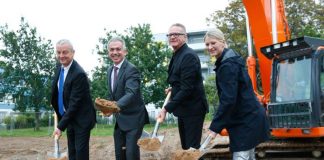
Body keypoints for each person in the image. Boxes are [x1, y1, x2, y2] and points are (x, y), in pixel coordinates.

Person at [204, 28, 270, 160]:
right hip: (249, 117)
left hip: (245, 121)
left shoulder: (227, 66)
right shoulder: (231, 60)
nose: (210, 47)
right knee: (249, 156)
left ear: (222, 42)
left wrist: (215, 127)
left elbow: (228, 100)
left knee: (241, 156)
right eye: (207, 44)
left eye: (213, 43)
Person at [157, 23, 208, 150]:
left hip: (193, 109)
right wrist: (173, 89)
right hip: (184, 109)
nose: (172, 37)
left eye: (176, 34)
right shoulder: (177, 54)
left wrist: (165, 109)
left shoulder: (188, 56)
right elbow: (181, 82)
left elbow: (187, 88)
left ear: (185, 37)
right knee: (186, 148)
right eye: (170, 34)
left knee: (192, 149)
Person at [51, 39, 96, 160]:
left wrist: (60, 127)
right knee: (72, 152)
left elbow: (74, 104)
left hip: (82, 119)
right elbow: (57, 92)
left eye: (65, 52)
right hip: (69, 117)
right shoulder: (59, 68)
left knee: (80, 153)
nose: (61, 56)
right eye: (58, 52)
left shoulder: (78, 74)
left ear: (73, 53)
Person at [106, 37, 149, 160]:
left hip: (134, 119)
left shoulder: (131, 69)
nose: (115, 52)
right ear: (108, 52)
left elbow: (131, 93)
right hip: (120, 119)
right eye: (112, 49)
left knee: (131, 155)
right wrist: (106, 107)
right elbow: (112, 94)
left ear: (125, 51)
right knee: (120, 155)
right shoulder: (110, 70)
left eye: (118, 49)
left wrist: (114, 107)